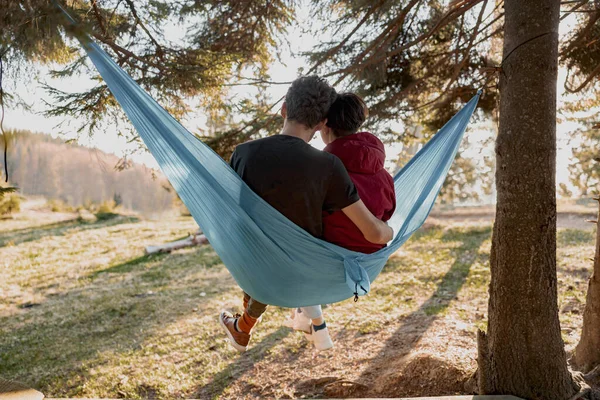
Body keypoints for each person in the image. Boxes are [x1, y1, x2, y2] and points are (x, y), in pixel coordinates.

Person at [219, 76, 393, 352]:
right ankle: (310, 325)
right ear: (323, 122)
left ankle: (246, 323)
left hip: (255, 268)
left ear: (284, 109)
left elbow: (233, 216)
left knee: (257, 240)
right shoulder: (329, 166)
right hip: (304, 272)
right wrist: (390, 231)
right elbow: (371, 230)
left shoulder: (243, 154)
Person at [286, 92, 396, 350]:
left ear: (325, 125)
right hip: (368, 261)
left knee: (295, 240)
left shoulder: (320, 169)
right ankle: (309, 318)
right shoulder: (383, 173)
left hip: (329, 260)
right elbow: (387, 213)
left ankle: (309, 316)